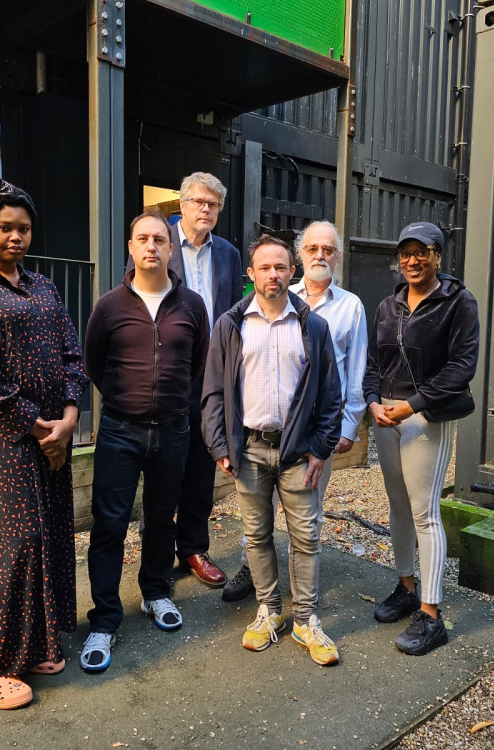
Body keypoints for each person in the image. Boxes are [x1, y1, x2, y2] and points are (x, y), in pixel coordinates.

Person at [0, 179, 88, 709]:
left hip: (53, 435)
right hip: (4, 440)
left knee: (49, 536)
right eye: (5, 227)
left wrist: (69, 417)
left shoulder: (44, 287)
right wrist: (39, 426)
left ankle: (40, 644)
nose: (16, 237)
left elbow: (73, 355)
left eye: (24, 228)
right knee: (14, 544)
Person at [202, 234, 342, 665]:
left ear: (292, 272)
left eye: (281, 267)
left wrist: (321, 448)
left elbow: (330, 395)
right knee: (257, 535)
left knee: (306, 536)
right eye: (264, 268)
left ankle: (305, 619)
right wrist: (220, 445)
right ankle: (268, 611)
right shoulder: (230, 325)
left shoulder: (313, 326)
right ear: (251, 274)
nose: (273, 275)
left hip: (298, 453)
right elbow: (212, 394)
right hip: (250, 451)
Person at [81, 212, 210, 672]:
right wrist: (125, 400)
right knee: (109, 526)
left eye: (160, 238)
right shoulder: (109, 307)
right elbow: (94, 364)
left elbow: (197, 365)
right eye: (143, 239)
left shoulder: (192, 305)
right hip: (119, 431)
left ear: (171, 249)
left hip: (173, 430)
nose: (151, 246)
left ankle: (155, 593)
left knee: (161, 519)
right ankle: (105, 618)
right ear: (131, 248)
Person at [223, 221, 368, 602]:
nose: (320, 255)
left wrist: (341, 432)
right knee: (256, 520)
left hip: (313, 430)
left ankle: (304, 604)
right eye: (313, 248)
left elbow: (352, 375)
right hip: (259, 434)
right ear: (300, 256)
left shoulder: (347, 307)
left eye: (329, 249)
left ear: (336, 256)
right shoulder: (263, 304)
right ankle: (254, 577)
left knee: (307, 520)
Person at [362, 221, 479, 656]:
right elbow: (372, 360)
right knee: (397, 505)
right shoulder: (388, 304)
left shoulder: (458, 302)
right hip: (386, 417)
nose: (412, 260)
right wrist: (372, 400)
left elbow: (461, 366)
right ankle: (407, 586)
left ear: (437, 255)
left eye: (422, 252)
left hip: (425, 416)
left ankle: (432, 614)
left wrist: (412, 405)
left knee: (425, 511)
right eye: (405, 252)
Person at [130, 172, 244, 587]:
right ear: (183, 204)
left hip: (211, 375)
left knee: (202, 464)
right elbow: (134, 305)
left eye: (213, 205)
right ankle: (155, 552)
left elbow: (233, 316)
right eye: (198, 202)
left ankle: (194, 547)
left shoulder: (229, 254)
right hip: (168, 374)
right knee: (163, 467)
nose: (205, 211)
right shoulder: (156, 244)